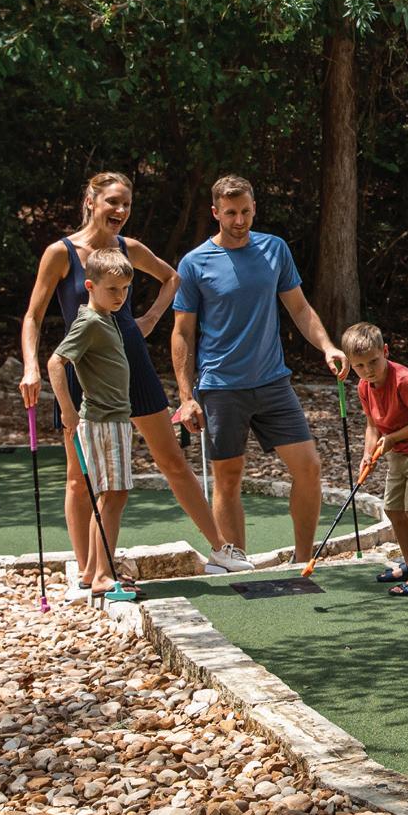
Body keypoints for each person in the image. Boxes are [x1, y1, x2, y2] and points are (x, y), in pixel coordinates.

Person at [19, 171, 243, 590]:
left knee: (172, 460)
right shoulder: (61, 253)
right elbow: (33, 315)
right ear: (91, 201)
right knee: (79, 478)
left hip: (132, 364)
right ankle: (90, 572)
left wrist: (150, 319)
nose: (120, 210)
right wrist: (31, 367)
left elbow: (172, 278)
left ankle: (221, 549)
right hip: (85, 369)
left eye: (126, 204)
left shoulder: (129, 248)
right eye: (112, 202)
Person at [171, 175, 346, 563]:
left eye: (246, 211)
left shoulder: (274, 249)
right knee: (228, 477)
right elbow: (182, 333)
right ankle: (237, 565)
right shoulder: (195, 263)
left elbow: (299, 308)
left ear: (254, 209)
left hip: (272, 383)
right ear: (215, 212)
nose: (239, 220)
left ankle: (303, 561)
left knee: (309, 468)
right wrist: (185, 397)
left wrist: (327, 346)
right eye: (230, 213)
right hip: (220, 387)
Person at [45, 249, 136, 598]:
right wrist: (67, 410)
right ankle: (101, 575)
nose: (120, 296)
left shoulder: (106, 317)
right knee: (113, 495)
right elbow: (56, 363)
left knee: (111, 495)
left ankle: (93, 571)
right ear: (90, 286)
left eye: (125, 289)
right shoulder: (90, 322)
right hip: (103, 420)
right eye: (112, 289)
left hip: (115, 418)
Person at [343, 322, 408, 596]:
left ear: (385, 351)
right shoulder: (365, 387)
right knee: (393, 509)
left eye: (373, 362)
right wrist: (368, 453)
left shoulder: (404, 381)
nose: (368, 370)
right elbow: (372, 425)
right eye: (359, 366)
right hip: (399, 452)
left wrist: (391, 439)